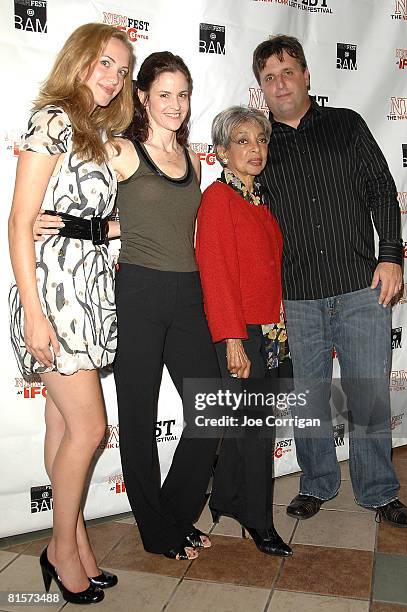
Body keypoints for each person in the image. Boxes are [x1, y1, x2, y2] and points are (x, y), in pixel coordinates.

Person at [251, 35, 407, 527]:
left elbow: (382, 190)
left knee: (368, 393)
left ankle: (379, 491)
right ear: (260, 89)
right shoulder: (258, 144)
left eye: (287, 72)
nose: (280, 83)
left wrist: (391, 256)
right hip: (296, 296)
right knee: (308, 395)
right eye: (268, 77)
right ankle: (316, 482)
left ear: (306, 75)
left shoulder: (346, 124)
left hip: (360, 287)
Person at [8, 23, 135, 604]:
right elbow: (19, 221)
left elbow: (112, 225)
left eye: (122, 69)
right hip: (55, 299)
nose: (114, 77)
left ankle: (73, 539)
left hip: (88, 292)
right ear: (80, 60)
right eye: (104, 63)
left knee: (62, 428)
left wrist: (91, 227)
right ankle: (63, 551)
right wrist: (34, 314)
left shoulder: (96, 132)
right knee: (90, 428)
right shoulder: (53, 119)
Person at [106, 51, 223, 561]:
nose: (175, 105)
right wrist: (66, 224)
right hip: (139, 292)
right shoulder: (122, 153)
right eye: (164, 94)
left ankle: (173, 514)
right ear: (142, 97)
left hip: (188, 293)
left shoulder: (194, 161)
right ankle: (156, 532)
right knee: (137, 416)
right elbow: (81, 200)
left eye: (182, 94)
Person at [195, 106, 292, 556]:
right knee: (257, 433)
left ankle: (229, 499)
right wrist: (233, 340)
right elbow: (216, 275)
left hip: (269, 330)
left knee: (248, 425)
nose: (256, 149)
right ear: (220, 152)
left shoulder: (260, 199)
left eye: (262, 140)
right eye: (242, 141)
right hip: (242, 332)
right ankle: (259, 519)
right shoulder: (218, 199)